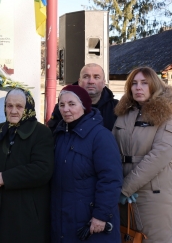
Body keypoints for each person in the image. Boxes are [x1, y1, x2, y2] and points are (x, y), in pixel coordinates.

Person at [0, 88, 54, 243]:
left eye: (19, 106)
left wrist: (5, 177)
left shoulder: (41, 133)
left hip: (24, 214)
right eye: (9, 106)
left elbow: (42, 169)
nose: (13, 111)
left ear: (28, 108)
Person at [113, 67, 172, 241]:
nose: (138, 87)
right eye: (134, 83)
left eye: (144, 83)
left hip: (154, 195)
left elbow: (158, 157)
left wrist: (125, 188)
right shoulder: (123, 115)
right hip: (124, 195)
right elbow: (111, 150)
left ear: (154, 86)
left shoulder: (167, 116)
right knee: (129, 237)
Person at [50, 85, 122, 242]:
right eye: (61, 105)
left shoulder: (100, 136)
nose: (66, 109)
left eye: (72, 104)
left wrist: (100, 216)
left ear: (84, 106)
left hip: (91, 223)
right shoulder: (59, 135)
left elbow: (111, 179)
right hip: (64, 220)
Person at [47, 63, 119, 132]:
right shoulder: (64, 108)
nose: (91, 81)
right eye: (86, 77)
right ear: (79, 82)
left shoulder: (117, 107)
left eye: (96, 77)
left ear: (104, 83)